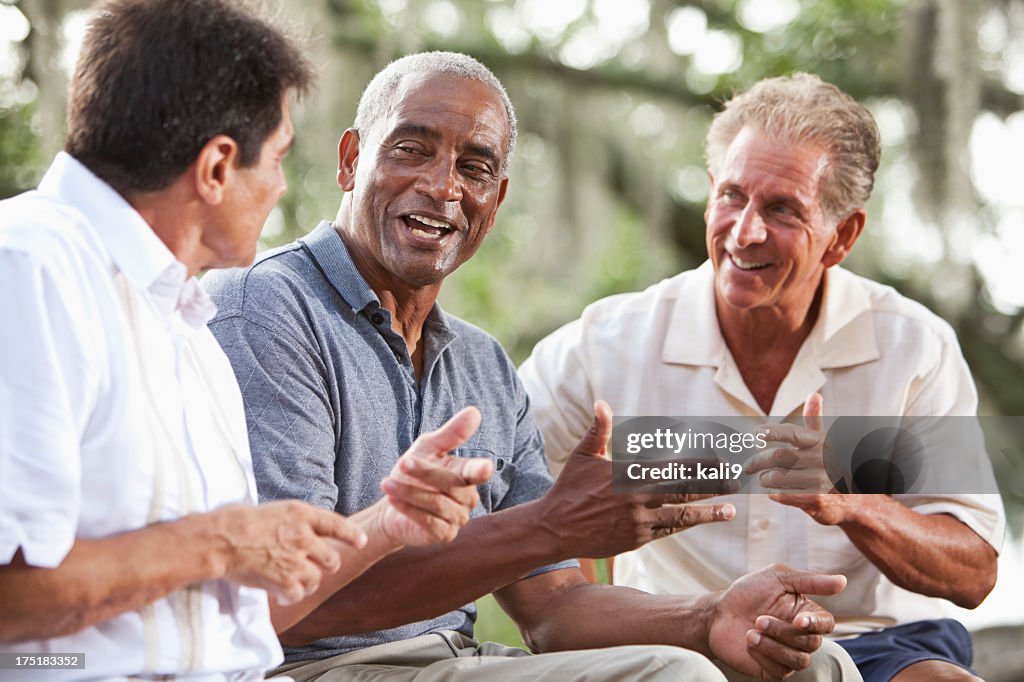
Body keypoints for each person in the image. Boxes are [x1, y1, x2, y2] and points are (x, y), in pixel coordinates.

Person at [205, 52, 861, 681]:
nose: (443, 186)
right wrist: (548, 526)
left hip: (459, 658)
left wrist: (710, 615)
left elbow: (552, 609)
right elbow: (286, 603)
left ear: (497, 198)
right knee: (675, 676)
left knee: (816, 666)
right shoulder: (266, 310)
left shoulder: (483, 363)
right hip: (314, 668)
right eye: (412, 148)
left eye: (475, 166)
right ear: (351, 160)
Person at [0, 2, 491, 679]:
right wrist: (221, 541)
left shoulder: (185, 324)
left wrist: (384, 524)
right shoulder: (28, 269)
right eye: (280, 158)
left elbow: (249, 612)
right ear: (216, 167)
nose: (282, 187)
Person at [520, 73, 1005, 682]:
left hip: (870, 644)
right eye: (731, 196)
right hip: (676, 641)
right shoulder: (608, 341)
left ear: (842, 236)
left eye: (782, 209)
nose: (745, 231)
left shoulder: (915, 346)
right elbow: (504, 485)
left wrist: (851, 502)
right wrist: (571, 609)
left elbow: (973, 571)